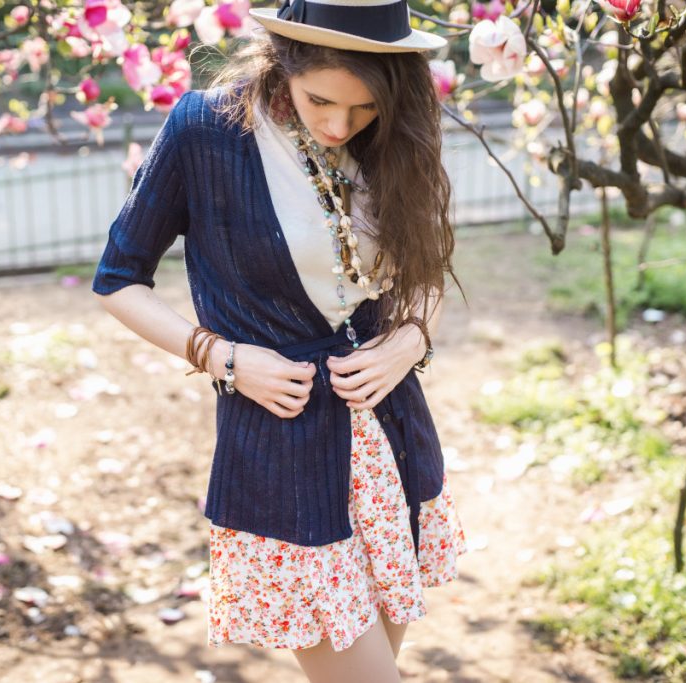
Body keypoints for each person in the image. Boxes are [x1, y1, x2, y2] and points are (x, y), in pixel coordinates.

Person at [92, 0, 469, 679]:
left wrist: (412, 337)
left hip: (392, 437)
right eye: (321, 100)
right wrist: (222, 356)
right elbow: (118, 280)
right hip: (283, 450)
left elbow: (426, 270)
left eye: (361, 109)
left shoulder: (399, 130)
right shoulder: (206, 130)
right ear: (283, 62)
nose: (337, 124)